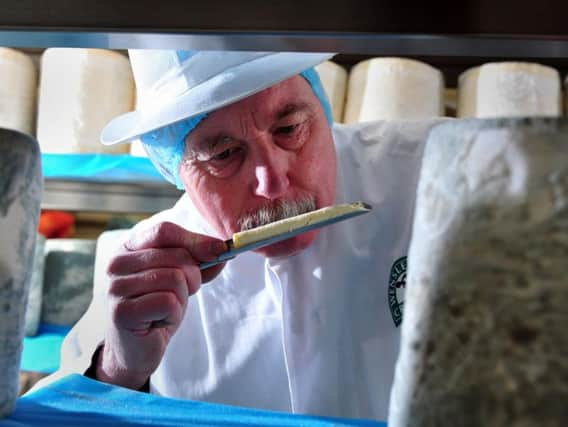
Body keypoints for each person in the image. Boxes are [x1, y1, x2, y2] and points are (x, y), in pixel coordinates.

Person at [35, 50, 444, 422]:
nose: (272, 181)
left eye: (289, 128)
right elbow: (50, 412)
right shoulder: (149, 267)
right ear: (176, 167)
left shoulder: (434, 170)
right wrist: (121, 370)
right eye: (224, 154)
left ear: (320, 106)